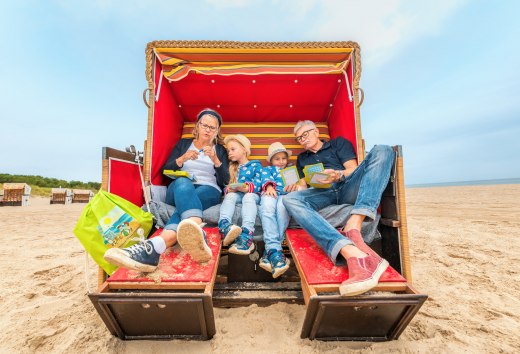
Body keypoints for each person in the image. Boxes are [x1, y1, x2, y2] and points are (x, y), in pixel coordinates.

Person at [104, 108, 229, 272]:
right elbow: (165, 171)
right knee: (183, 181)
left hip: (208, 189)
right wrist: (182, 158)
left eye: (212, 127)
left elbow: (225, 181)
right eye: (205, 125)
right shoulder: (184, 144)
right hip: (179, 188)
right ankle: (198, 231)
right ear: (197, 126)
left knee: (191, 201)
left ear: (217, 131)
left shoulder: (219, 150)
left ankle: (155, 247)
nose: (208, 129)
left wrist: (215, 160)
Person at [283, 120, 395, 296]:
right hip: (322, 192)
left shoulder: (338, 144)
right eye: (298, 139)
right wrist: (297, 186)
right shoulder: (302, 159)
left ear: (316, 132)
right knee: (290, 199)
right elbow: (304, 184)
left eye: (305, 135)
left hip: (347, 185)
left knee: (383, 149)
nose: (302, 140)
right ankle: (348, 251)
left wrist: (338, 174)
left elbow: (352, 169)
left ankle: (354, 223)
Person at [218, 134, 262, 255]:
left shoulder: (255, 165)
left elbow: (259, 183)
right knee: (230, 196)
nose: (229, 153)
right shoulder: (232, 167)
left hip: (251, 195)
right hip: (237, 194)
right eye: (228, 151)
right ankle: (224, 226)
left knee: (248, 196)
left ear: (244, 150)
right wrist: (230, 190)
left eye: (233, 149)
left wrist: (246, 188)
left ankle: (247, 234)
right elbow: (226, 186)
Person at [258, 142, 292, 278]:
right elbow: (265, 179)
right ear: (271, 161)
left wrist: (295, 187)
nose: (281, 162)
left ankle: (271, 251)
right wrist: (269, 187)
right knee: (267, 208)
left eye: (283, 158)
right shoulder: (267, 169)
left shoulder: (290, 170)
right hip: (270, 193)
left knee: (283, 210)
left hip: (285, 196)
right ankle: (275, 251)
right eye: (277, 159)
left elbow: (294, 184)